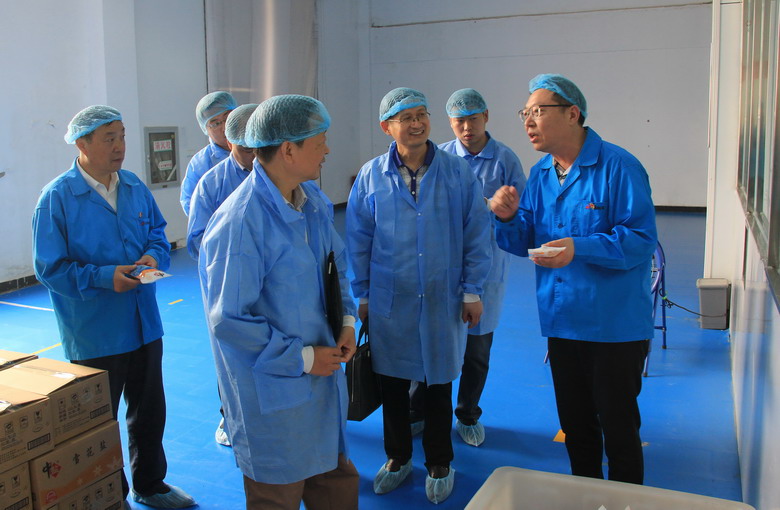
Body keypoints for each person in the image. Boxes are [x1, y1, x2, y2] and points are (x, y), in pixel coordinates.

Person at [489, 74, 657, 484]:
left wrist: (579, 247)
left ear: (572, 114)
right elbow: (526, 239)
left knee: (619, 428)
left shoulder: (619, 167)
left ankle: (625, 500)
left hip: (613, 326)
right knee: (576, 427)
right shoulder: (541, 174)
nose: (528, 121)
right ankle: (585, 494)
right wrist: (507, 218)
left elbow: (640, 241)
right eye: (524, 113)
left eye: (538, 111)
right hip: (563, 322)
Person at [199, 95, 359, 510]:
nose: (327, 150)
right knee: (278, 494)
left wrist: (346, 321)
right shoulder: (240, 222)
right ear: (288, 150)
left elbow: (335, 267)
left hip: (322, 382)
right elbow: (229, 320)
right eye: (320, 142)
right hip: (275, 393)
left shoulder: (312, 202)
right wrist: (303, 358)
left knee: (336, 482)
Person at [32, 105, 196, 508]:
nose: (120, 146)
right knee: (97, 422)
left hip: (144, 323)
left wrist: (153, 256)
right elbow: (51, 269)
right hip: (95, 332)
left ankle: (150, 484)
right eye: (109, 138)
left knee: (149, 409)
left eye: (122, 136)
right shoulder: (57, 198)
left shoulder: (134, 186)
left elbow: (157, 233)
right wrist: (106, 277)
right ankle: (108, 493)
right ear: (82, 143)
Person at [346, 87, 492, 504]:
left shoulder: (456, 172)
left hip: (444, 295)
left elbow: (476, 233)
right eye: (406, 117)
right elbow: (359, 240)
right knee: (392, 384)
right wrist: (363, 295)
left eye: (422, 114)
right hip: (391, 298)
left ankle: (439, 462)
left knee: (438, 383)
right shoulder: (371, 176)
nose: (417, 123)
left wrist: (472, 291)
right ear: (386, 127)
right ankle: (397, 458)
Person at [436, 88, 526, 447]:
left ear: (485, 117)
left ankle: (468, 414)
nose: (466, 128)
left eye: (473, 119)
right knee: (435, 344)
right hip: (443, 267)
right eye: (459, 121)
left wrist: (505, 209)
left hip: (487, 270)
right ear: (450, 122)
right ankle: (420, 412)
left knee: (477, 350)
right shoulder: (440, 156)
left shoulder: (504, 159)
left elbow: (522, 213)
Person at [186, 103, 258, 448]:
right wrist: (237, 259)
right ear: (230, 143)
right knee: (231, 355)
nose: (253, 154)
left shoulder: (284, 178)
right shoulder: (211, 183)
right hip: (228, 287)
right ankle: (230, 416)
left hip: (272, 286)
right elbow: (197, 241)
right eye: (245, 147)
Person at [179, 90, 237, 215]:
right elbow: (192, 206)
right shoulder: (200, 164)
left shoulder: (256, 150)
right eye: (216, 123)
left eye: (227, 118)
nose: (224, 127)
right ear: (205, 129)